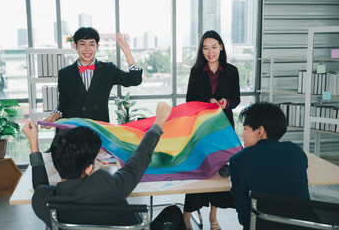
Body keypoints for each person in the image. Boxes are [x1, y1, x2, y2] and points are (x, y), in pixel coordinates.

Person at [22, 102, 187, 230]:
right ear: (88, 168)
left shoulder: (43, 202)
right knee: (173, 212)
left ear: (57, 164)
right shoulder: (108, 187)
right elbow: (138, 161)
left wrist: (33, 143)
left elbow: (40, 186)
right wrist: (159, 121)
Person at [183, 30, 240, 230]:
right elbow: (189, 101)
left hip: (223, 128)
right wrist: (208, 102)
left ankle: (213, 214)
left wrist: (226, 102)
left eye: (214, 47)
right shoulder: (196, 72)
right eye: (205, 48)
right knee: (199, 170)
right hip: (202, 128)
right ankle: (187, 215)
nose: (210, 52)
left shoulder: (232, 71)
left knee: (219, 172)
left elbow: (236, 98)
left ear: (221, 47)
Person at [229, 102, 310, 230]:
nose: (243, 135)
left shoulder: (239, 160)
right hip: (300, 225)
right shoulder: (296, 151)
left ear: (260, 131)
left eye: (245, 129)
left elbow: (245, 219)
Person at [43, 27, 142, 124]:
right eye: (82, 44)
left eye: (91, 44)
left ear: (97, 47)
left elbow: (134, 80)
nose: (87, 49)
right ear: (75, 46)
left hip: (99, 129)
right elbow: (63, 104)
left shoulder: (108, 69)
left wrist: (127, 52)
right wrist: (54, 116)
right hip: (73, 130)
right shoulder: (64, 73)